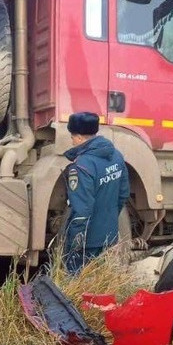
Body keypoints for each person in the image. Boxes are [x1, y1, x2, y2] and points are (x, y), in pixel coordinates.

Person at [62, 112, 130, 274]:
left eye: (72, 137)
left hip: (88, 241)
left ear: (79, 137)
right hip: (109, 235)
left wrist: (74, 243)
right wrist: (108, 221)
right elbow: (123, 193)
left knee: (77, 282)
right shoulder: (116, 156)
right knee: (101, 280)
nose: (72, 141)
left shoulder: (82, 166)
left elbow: (82, 210)